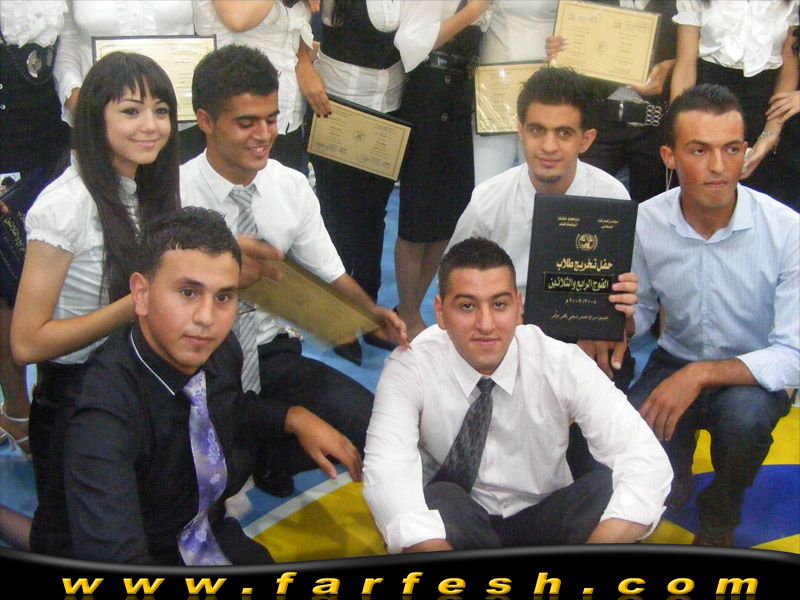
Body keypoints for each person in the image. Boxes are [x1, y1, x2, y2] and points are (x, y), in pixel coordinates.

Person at [64, 207, 362, 564]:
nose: (206, 318)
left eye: (223, 297)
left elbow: (226, 407)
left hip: (207, 529)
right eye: (188, 293)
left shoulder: (220, 350)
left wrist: (293, 416)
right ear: (140, 294)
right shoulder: (101, 416)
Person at [180, 44, 406, 496]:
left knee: (374, 427)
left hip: (273, 352)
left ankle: (266, 456)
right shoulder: (173, 194)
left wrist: (370, 314)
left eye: (271, 119)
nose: (264, 135)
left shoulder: (291, 185)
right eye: (247, 123)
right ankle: (253, 450)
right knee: (202, 466)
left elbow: (330, 273)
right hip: (197, 362)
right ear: (205, 121)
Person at [363, 237, 672, 553]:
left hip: (545, 514)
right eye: (467, 306)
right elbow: (386, 471)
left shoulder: (559, 361)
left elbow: (645, 458)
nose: (486, 324)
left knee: (606, 490)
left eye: (499, 305)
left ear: (519, 307)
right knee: (437, 499)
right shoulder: (411, 366)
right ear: (440, 312)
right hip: (461, 519)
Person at [10, 51, 182, 558]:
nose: (151, 126)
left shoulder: (144, 184)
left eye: (161, 111)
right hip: (75, 397)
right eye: (131, 111)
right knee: (72, 546)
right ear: (94, 117)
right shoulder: (65, 205)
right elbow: (27, 343)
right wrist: (138, 303)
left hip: (133, 378)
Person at [626, 84, 799, 547]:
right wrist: (619, 323)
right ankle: (675, 472)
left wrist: (699, 375)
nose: (720, 167)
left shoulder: (787, 231)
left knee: (745, 421)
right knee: (631, 431)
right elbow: (641, 312)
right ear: (669, 156)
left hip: (751, 369)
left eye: (732, 149)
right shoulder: (645, 221)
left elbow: (794, 354)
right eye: (700, 150)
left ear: (746, 150)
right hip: (674, 358)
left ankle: (721, 517)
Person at [448, 67, 637, 386]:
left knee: (612, 366)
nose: (549, 146)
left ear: (586, 140)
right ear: (520, 131)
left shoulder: (612, 197)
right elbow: (454, 287)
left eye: (564, 133)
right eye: (537, 130)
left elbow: (628, 308)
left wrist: (617, 323)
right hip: (503, 336)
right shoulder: (488, 200)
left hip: (585, 339)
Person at [0, 0, 71, 457]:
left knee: (51, 281)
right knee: (4, 292)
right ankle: (17, 408)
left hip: (55, 151)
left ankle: (47, 405)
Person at [670, 0, 799, 203]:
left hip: (763, 105)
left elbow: (789, 65)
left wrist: (770, 133)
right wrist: (677, 128)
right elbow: (685, 64)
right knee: (700, 189)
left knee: (754, 196)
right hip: (706, 101)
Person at [192, 0, 316, 174]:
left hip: (285, 115)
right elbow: (237, 19)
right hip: (234, 112)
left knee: (285, 185)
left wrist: (304, 62)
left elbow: (293, 28)